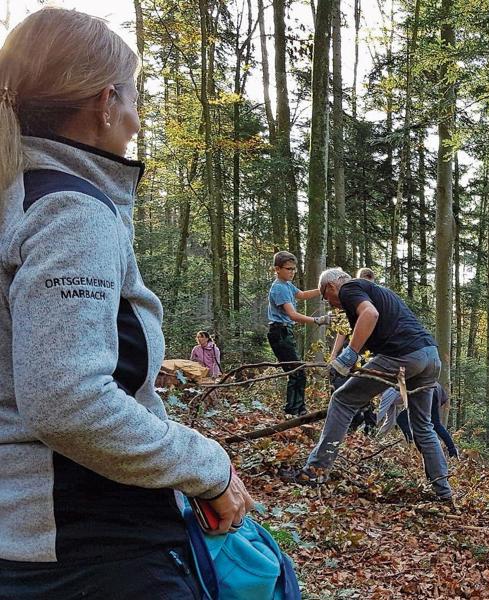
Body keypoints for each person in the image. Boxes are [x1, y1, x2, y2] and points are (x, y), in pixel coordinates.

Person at [0, 9, 253, 598]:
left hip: (31, 541)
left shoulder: (17, 198)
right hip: (89, 550)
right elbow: (67, 399)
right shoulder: (71, 212)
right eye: (134, 98)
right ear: (105, 100)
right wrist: (206, 465)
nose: (138, 122)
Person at [289, 268, 453, 502]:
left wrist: (349, 355)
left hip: (403, 355)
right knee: (423, 426)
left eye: (328, 298)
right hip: (429, 357)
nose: (334, 305)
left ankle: (314, 471)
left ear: (332, 286)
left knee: (343, 399)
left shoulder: (349, 288)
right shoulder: (377, 291)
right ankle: (443, 492)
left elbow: (370, 314)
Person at [267, 250, 330, 416]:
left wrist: (321, 289)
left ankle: (296, 409)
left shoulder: (287, 285)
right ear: (277, 269)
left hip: (285, 331)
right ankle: (294, 411)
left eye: (294, 269)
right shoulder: (279, 288)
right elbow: (292, 314)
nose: (292, 272)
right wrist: (318, 320)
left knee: (297, 370)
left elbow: (301, 295)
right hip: (279, 332)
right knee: (297, 371)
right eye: (288, 269)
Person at [376, 382, 459, 458]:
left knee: (403, 419)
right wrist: (377, 437)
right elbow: (390, 421)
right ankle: (452, 451)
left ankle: (413, 446)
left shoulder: (388, 391)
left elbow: (379, 414)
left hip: (425, 391)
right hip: (432, 389)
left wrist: (367, 433)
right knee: (434, 424)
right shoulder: (389, 392)